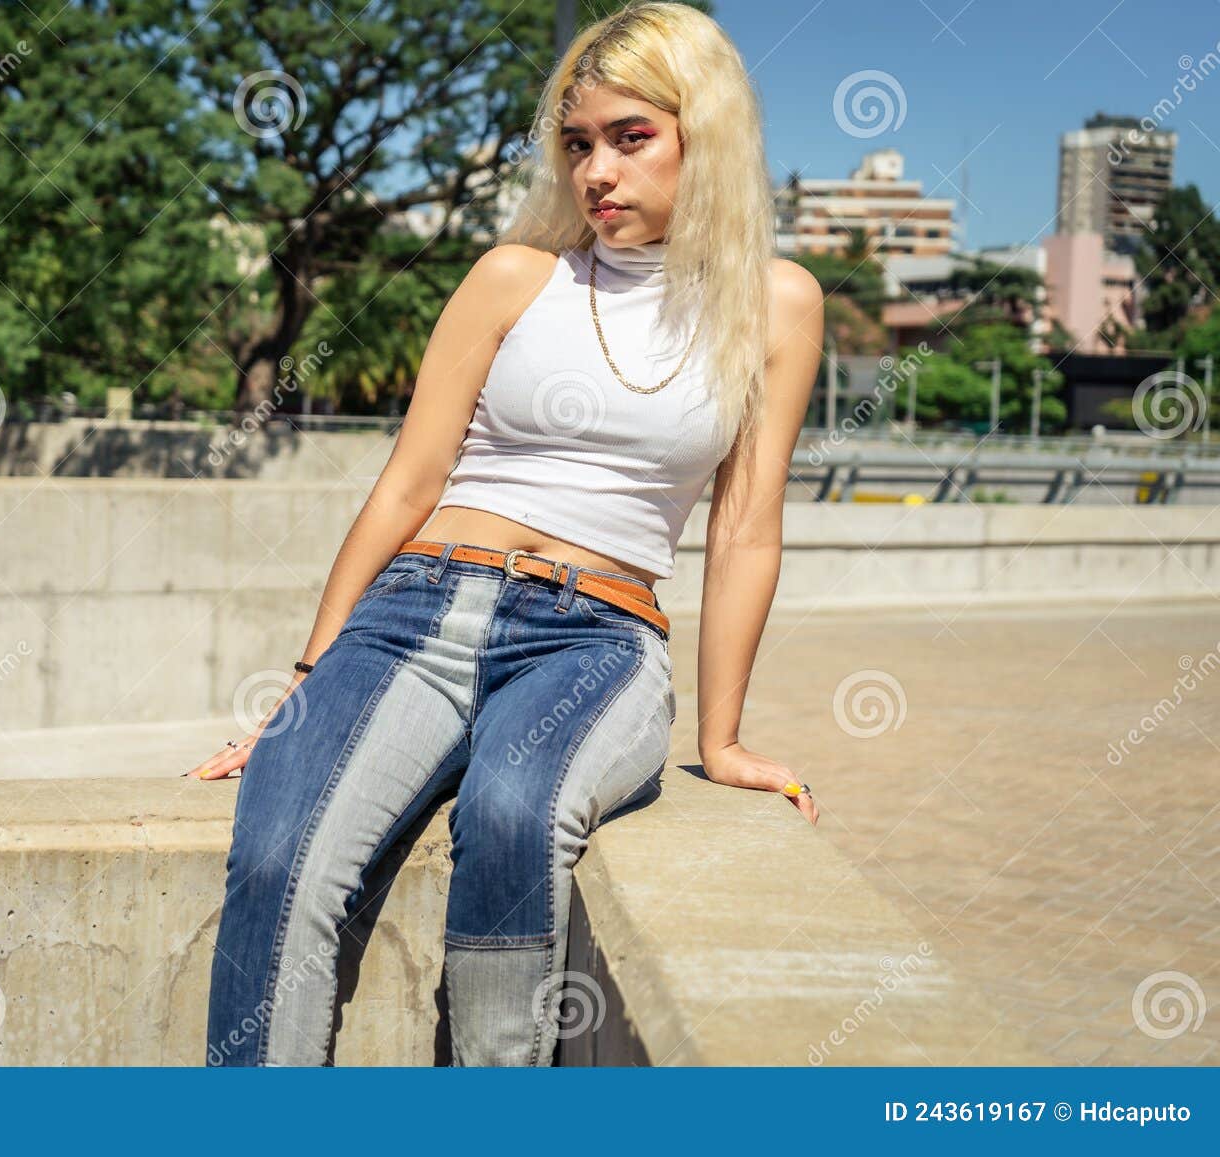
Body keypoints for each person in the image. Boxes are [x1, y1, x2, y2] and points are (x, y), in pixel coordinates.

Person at [192, 0, 824, 1067]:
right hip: (416, 609)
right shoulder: (513, 276)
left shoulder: (775, 303)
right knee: (276, 853)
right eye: (578, 145)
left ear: (704, 136)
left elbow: (746, 530)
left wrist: (719, 740)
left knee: (515, 813)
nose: (597, 173)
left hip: (593, 637)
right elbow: (406, 483)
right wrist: (309, 676)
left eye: (632, 138)